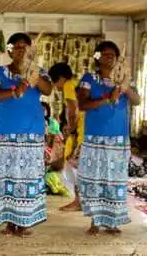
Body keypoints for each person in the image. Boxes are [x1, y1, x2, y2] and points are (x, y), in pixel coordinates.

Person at [0, 32, 53, 236]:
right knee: (7, 179)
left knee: (26, 179)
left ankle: (23, 222)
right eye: (17, 47)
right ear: (10, 51)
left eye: (25, 47)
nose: (21, 51)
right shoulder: (0, 72)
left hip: (31, 135)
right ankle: (9, 221)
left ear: (31, 50)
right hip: (5, 135)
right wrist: (13, 92)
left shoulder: (38, 72)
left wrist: (32, 74)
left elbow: (47, 90)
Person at [76, 41, 141, 235]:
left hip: (118, 139)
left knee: (115, 180)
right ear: (97, 57)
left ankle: (113, 221)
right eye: (104, 54)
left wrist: (125, 87)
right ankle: (95, 221)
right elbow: (83, 104)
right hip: (95, 137)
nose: (109, 57)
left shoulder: (125, 78)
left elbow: (137, 100)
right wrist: (107, 99)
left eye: (113, 54)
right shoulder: (89, 78)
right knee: (95, 179)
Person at [49, 62, 85, 211]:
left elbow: (72, 109)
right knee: (77, 166)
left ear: (61, 78)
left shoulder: (69, 85)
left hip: (80, 130)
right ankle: (81, 200)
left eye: (54, 81)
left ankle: (78, 201)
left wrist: (71, 128)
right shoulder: (78, 83)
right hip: (86, 129)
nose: (54, 85)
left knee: (73, 165)